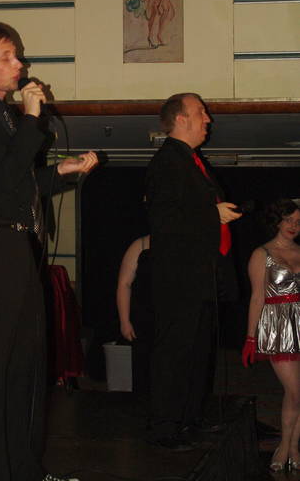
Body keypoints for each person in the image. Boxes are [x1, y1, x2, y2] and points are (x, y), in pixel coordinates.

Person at [0, 21, 98, 481]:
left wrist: (62, 172)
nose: (20, 64)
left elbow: (18, 183)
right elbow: (4, 176)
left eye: (17, 55)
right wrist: (32, 118)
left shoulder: (2, 114)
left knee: (26, 366)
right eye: (8, 57)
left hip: (16, 245)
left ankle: (27, 470)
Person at [144, 92, 242, 450]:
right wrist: (212, 214)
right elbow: (163, 219)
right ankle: (164, 427)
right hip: (179, 279)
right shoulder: (167, 161)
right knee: (175, 352)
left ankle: (190, 419)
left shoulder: (192, 161)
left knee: (199, 353)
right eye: (201, 112)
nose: (208, 119)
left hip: (200, 276)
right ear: (181, 119)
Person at [242, 199, 300, 472]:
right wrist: (250, 338)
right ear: (278, 220)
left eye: (298, 222)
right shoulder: (261, 253)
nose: (293, 226)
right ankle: (285, 446)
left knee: (297, 392)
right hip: (277, 327)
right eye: (289, 220)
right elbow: (257, 298)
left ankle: (293, 447)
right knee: (295, 390)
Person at [116, 235, 152, 394]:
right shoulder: (140, 245)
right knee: (143, 372)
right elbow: (124, 284)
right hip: (144, 322)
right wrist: (124, 321)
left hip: (173, 322)